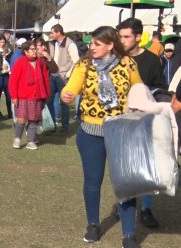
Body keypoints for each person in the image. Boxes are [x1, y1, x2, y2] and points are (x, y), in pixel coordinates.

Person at [61, 26, 143, 248]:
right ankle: (93, 225)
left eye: (97, 43)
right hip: (91, 133)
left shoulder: (127, 64)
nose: (92, 47)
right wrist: (67, 95)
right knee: (93, 181)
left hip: (122, 132)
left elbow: (139, 90)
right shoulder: (84, 65)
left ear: (110, 45)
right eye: (91, 43)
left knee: (125, 184)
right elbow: (70, 89)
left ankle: (128, 234)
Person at [117, 17, 166, 229]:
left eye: (126, 37)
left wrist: (145, 100)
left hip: (145, 120)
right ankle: (124, 205)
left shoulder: (152, 60)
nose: (122, 40)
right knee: (124, 167)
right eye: (120, 36)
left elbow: (160, 89)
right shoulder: (116, 58)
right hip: (120, 120)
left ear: (139, 37)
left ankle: (145, 209)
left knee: (146, 166)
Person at [9, 41, 50, 150]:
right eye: (32, 49)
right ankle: (17, 138)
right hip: (22, 97)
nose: (35, 51)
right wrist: (14, 96)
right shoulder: (20, 62)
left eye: (35, 49)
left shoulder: (40, 62)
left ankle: (31, 141)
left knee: (33, 119)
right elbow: (13, 81)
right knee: (21, 119)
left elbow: (45, 78)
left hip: (36, 96)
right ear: (26, 52)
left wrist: (46, 93)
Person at [47, 24, 80, 134]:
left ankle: (65, 128)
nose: (51, 35)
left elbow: (76, 61)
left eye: (52, 32)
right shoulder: (52, 43)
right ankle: (51, 125)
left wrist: (68, 74)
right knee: (49, 101)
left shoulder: (70, 44)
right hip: (52, 76)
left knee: (64, 103)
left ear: (58, 33)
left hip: (63, 78)